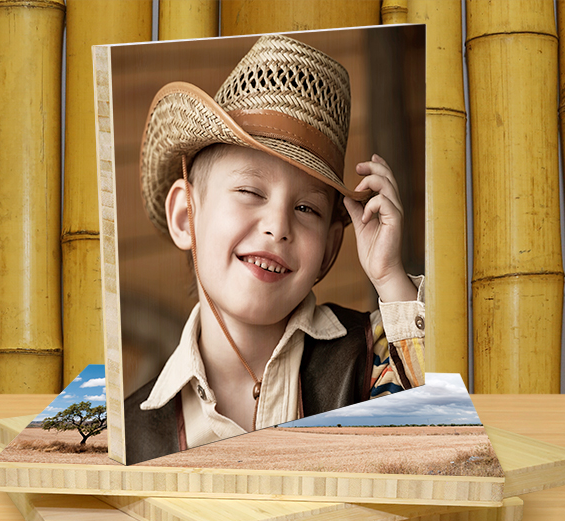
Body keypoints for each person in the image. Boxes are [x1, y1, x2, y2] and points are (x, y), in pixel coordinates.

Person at [125, 34, 424, 464]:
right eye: (249, 190)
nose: (278, 227)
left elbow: (442, 440)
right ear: (185, 216)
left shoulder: (374, 354)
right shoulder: (132, 431)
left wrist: (390, 278)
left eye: (305, 208)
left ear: (328, 249)